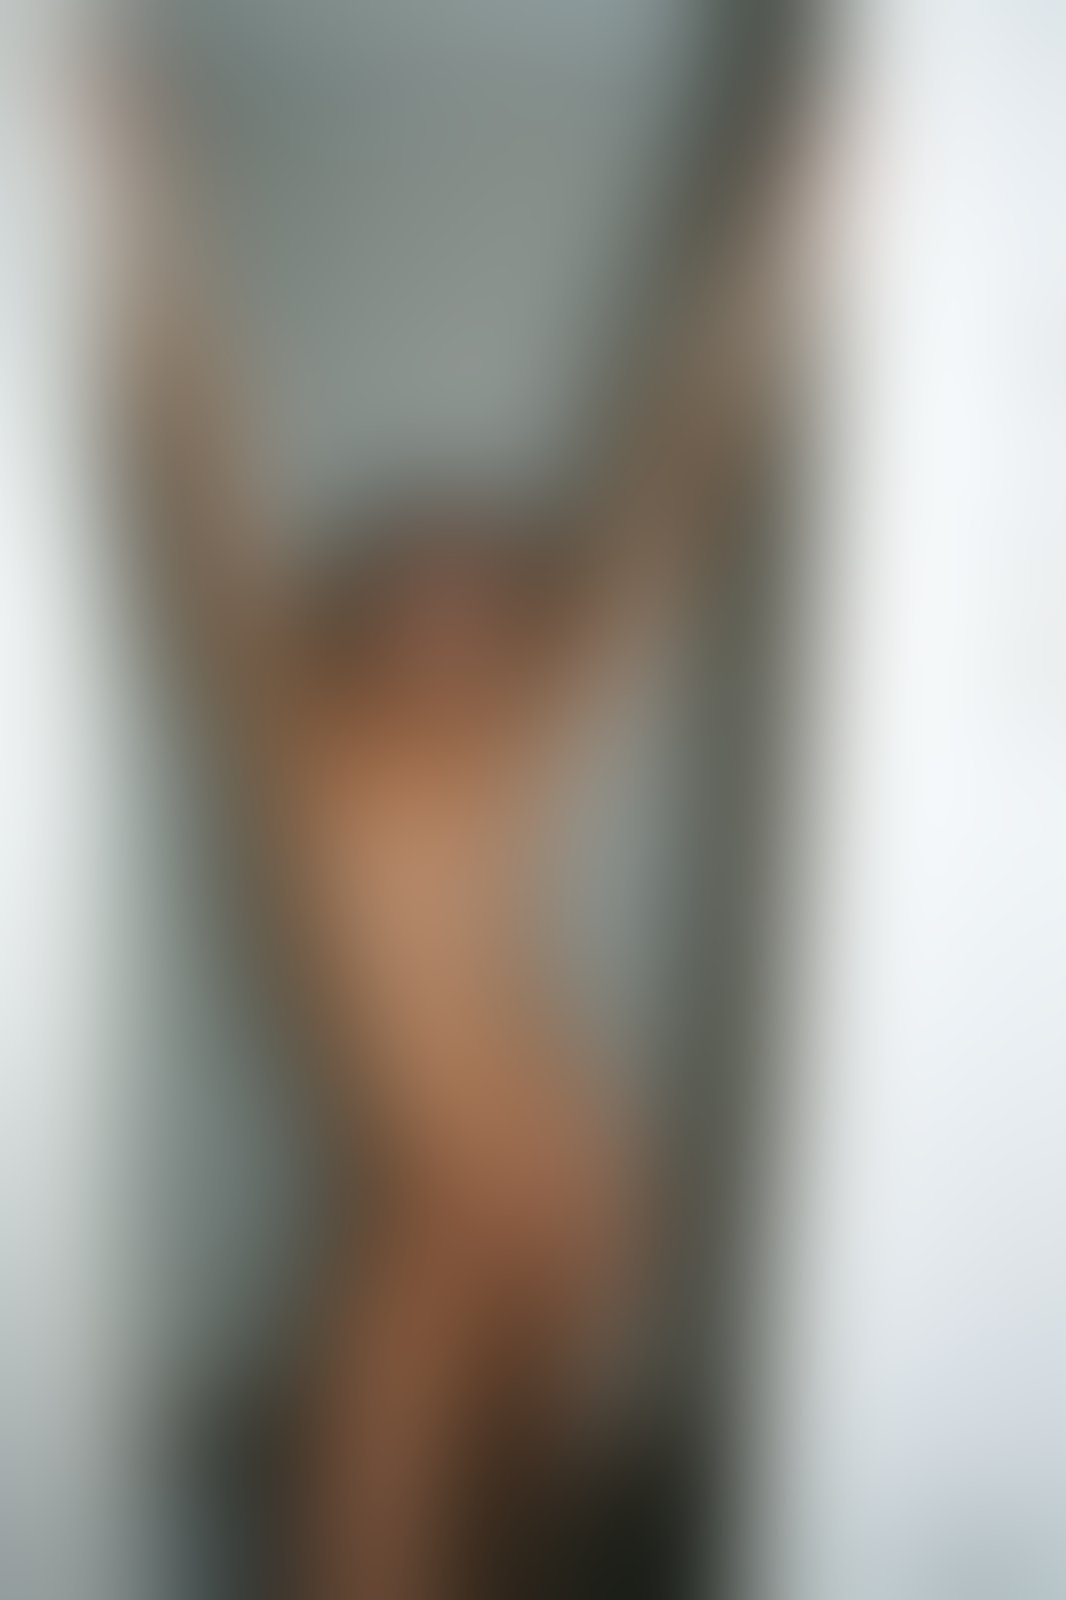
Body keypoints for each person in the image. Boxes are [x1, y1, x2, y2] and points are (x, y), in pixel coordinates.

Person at [116, 72, 811, 1600]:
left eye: (490, 595)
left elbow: (669, 481)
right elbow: (194, 457)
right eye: (423, 581)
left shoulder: (516, 733)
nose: (458, 615)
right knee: (360, 1542)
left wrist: (787, 232)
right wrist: (133, 181)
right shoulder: (294, 741)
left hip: (573, 1179)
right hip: (425, 1211)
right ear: (355, 606)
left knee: (522, 1529)